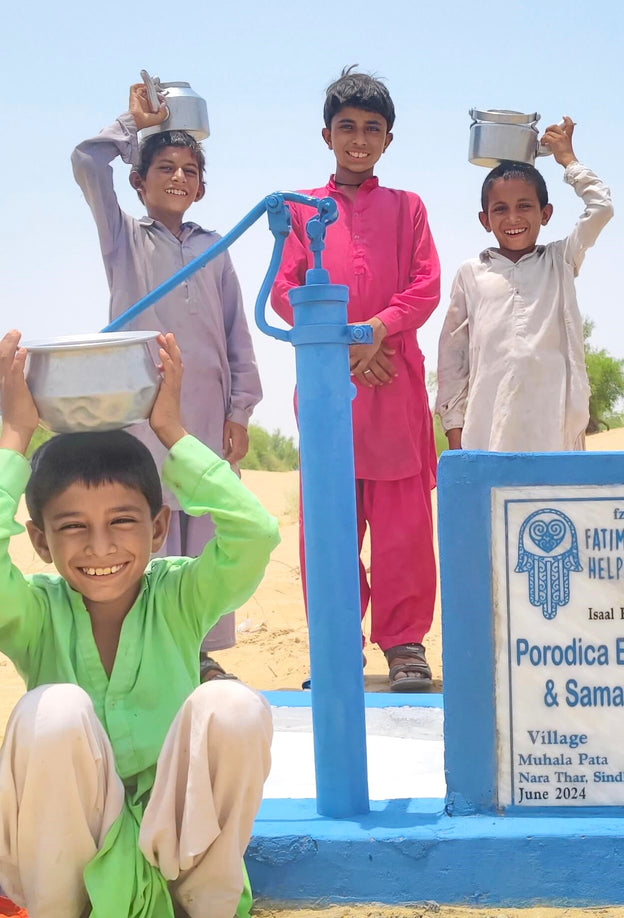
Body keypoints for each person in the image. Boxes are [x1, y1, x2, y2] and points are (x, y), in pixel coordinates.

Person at [0, 329, 278, 917]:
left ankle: (207, 907)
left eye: (122, 522)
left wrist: (172, 431)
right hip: (69, 854)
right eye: (72, 526)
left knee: (233, 707)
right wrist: (16, 437)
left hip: (174, 843)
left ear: (156, 529)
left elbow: (256, 534)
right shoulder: (35, 611)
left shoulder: (177, 593)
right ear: (40, 542)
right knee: (49, 710)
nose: (100, 547)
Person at [72, 81, 263, 681]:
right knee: (144, 520)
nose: (177, 178)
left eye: (188, 170)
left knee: (204, 525)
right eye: (165, 168)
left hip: (206, 414)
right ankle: (141, 651)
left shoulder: (215, 248)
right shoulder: (122, 238)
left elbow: (237, 334)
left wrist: (241, 412)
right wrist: (131, 125)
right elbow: (85, 162)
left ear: (201, 185)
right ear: (139, 179)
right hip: (139, 413)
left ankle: (198, 653)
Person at [270, 66, 440, 691]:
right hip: (329, 392)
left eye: (372, 129)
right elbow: (285, 292)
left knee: (403, 528)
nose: (359, 139)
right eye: (348, 127)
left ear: (388, 139)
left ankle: (404, 648)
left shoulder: (409, 208)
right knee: (331, 526)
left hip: (394, 389)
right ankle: (337, 649)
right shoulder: (299, 210)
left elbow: (425, 287)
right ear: (327, 135)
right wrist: (349, 344)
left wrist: (376, 329)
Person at [435, 117, 613, 452]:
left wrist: (569, 162)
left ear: (545, 213)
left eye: (525, 206)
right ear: (485, 220)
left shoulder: (560, 261)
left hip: (554, 432)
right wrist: (456, 434)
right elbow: (453, 360)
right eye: (500, 209)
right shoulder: (471, 274)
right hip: (487, 434)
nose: (513, 218)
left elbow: (601, 207)